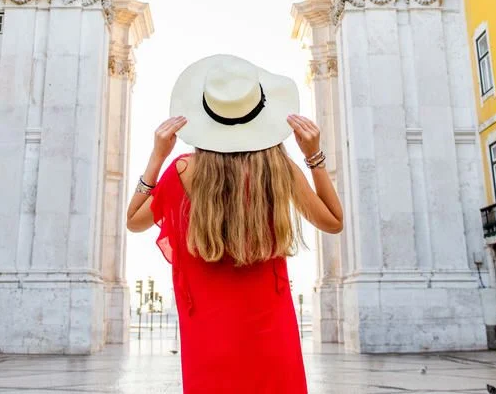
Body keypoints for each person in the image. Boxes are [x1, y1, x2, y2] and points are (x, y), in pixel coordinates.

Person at [126, 54, 344, 394]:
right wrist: (313, 156)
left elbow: (134, 221)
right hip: (272, 335)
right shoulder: (279, 169)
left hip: (207, 338)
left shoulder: (183, 171)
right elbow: (333, 222)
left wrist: (158, 156)